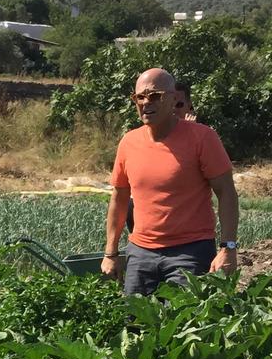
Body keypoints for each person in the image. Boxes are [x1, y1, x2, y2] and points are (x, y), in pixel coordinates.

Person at [101, 68, 238, 296]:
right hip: (140, 253)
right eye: (140, 97)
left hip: (190, 251)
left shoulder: (202, 138)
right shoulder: (129, 142)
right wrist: (110, 253)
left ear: (174, 99)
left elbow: (226, 193)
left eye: (155, 96)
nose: (146, 102)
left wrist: (228, 248)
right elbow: (119, 197)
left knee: (184, 325)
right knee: (135, 325)